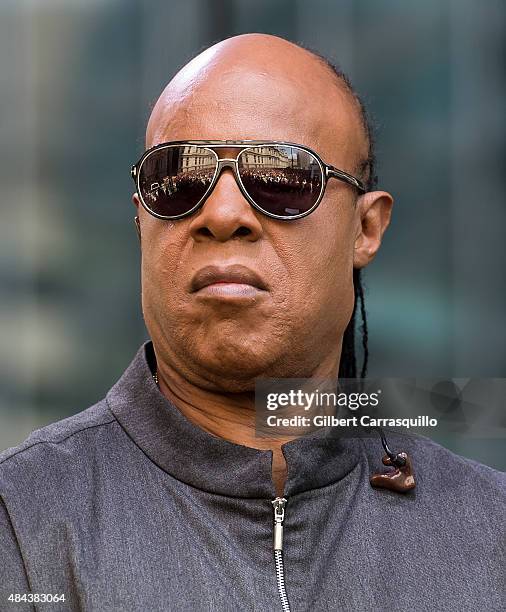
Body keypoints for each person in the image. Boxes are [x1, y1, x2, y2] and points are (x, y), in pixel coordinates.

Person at [0, 33, 504, 612]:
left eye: (281, 179)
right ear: (141, 219)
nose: (222, 214)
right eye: (178, 180)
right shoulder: (20, 523)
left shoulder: (490, 534)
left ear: (365, 229)